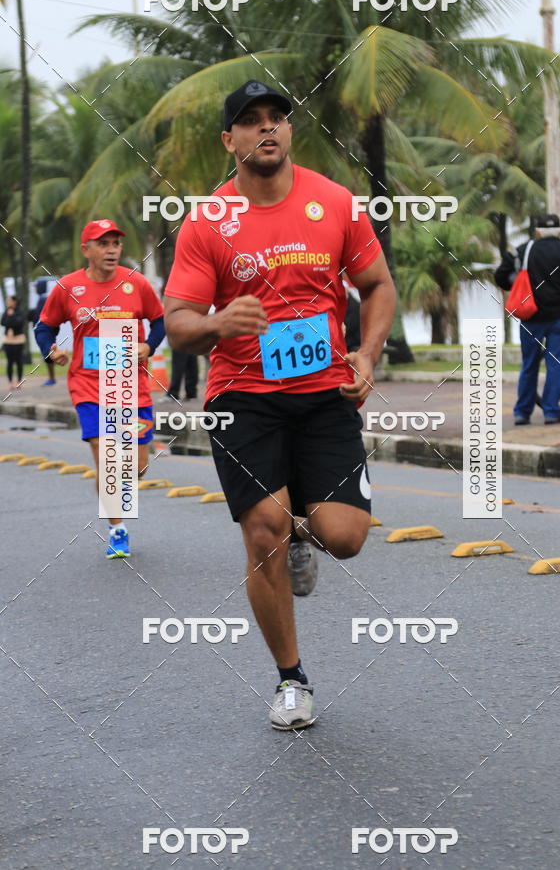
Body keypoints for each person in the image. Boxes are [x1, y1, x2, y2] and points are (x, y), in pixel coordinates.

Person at [164, 80, 396, 731]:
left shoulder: (334, 202)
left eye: (277, 118)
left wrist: (369, 354)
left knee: (345, 538)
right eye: (250, 120)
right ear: (229, 140)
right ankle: (291, 680)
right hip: (243, 397)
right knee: (262, 528)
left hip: (325, 395)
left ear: (288, 131)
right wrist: (217, 324)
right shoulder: (208, 222)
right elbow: (177, 319)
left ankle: (304, 530)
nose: (267, 128)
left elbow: (377, 286)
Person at [35, 219, 165, 558]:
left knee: (136, 468)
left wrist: (148, 346)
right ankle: (117, 529)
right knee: (108, 459)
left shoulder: (136, 283)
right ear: (86, 250)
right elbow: (44, 327)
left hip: (132, 387)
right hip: (89, 386)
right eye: (103, 243)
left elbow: (160, 320)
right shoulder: (68, 287)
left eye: (115, 243)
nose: (111, 249)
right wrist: (51, 350)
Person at [495, 213, 560, 425]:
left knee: (529, 365)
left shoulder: (523, 250)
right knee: (555, 365)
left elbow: (501, 276)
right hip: (558, 318)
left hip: (530, 318)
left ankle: (522, 413)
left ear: (537, 231)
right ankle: (551, 412)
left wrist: (516, 284)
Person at [31, 278, 56, 385]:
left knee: (48, 354)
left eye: (37, 286)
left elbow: (42, 316)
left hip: (45, 331)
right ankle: (51, 377)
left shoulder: (43, 298)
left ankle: (52, 378)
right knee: (47, 354)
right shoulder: (42, 298)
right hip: (44, 330)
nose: (36, 289)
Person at [2, 295, 26, 390]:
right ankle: (10, 382)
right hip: (8, 340)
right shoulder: (6, 312)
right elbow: (2, 322)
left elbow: (19, 323)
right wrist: (10, 318)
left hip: (18, 339)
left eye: (9, 301)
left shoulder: (19, 312)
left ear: (14, 302)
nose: (8, 302)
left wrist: (11, 316)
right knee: (9, 362)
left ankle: (19, 381)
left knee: (19, 361)